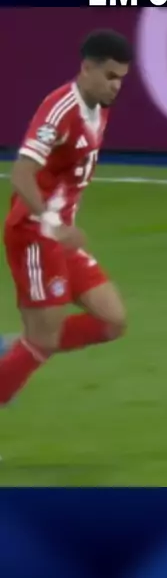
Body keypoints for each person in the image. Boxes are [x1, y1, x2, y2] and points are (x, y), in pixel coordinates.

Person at [0, 29, 132, 405]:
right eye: (110, 76)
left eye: (121, 78)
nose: (116, 85)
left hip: (60, 237)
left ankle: (17, 350)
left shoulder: (100, 107)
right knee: (43, 340)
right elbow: (21, 174)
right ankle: (21, 355)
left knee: (111, 321)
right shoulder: (59, 111)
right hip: (35, 234)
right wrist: (51, 223)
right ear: (87, 68)